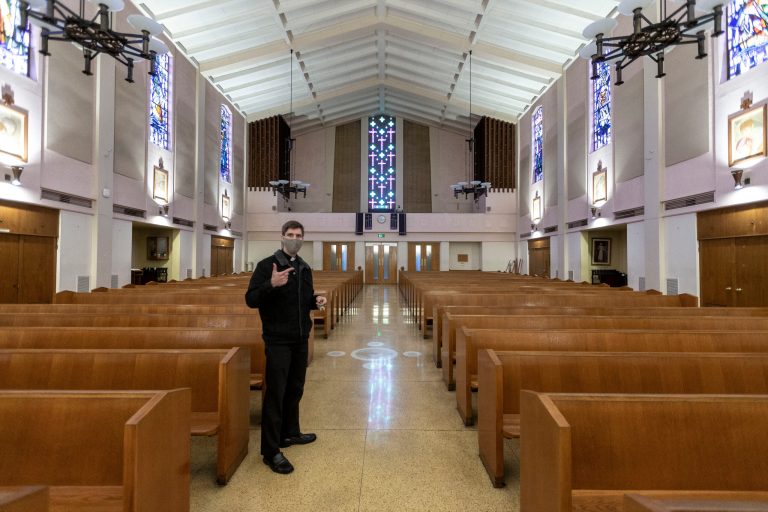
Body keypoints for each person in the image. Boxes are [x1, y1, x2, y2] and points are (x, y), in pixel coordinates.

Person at [245, 220, 327, 474]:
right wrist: (271, 284)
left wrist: (316, 301)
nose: (295, 238)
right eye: (290, 234)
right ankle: (271, 450)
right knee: (276, 394)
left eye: (299, 235)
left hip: (300, 338)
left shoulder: (304, 267)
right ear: (282, 237)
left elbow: (302, 300)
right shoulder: (267, 266)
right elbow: (251, 299)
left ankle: (290, 433)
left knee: (296, 388)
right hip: (278, 340)